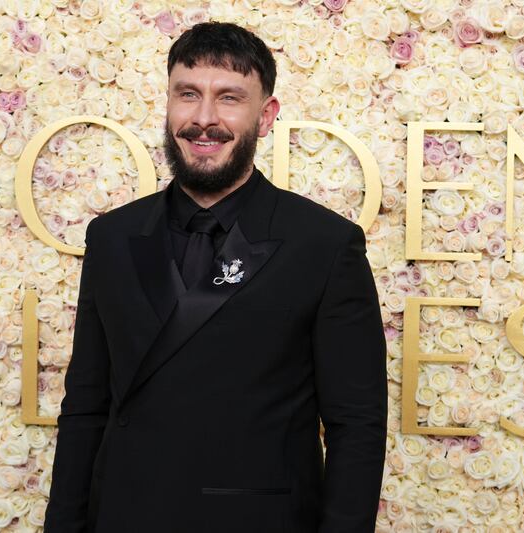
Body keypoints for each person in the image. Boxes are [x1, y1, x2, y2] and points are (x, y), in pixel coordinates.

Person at [43, 21, 387, 533]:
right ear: (167, 104)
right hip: (125, 516)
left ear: (265, 116)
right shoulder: (113, 237)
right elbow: (85, 408)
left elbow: (355, 424)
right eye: (188, 95)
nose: (204, 119)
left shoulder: (324, 244)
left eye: (229, 98)